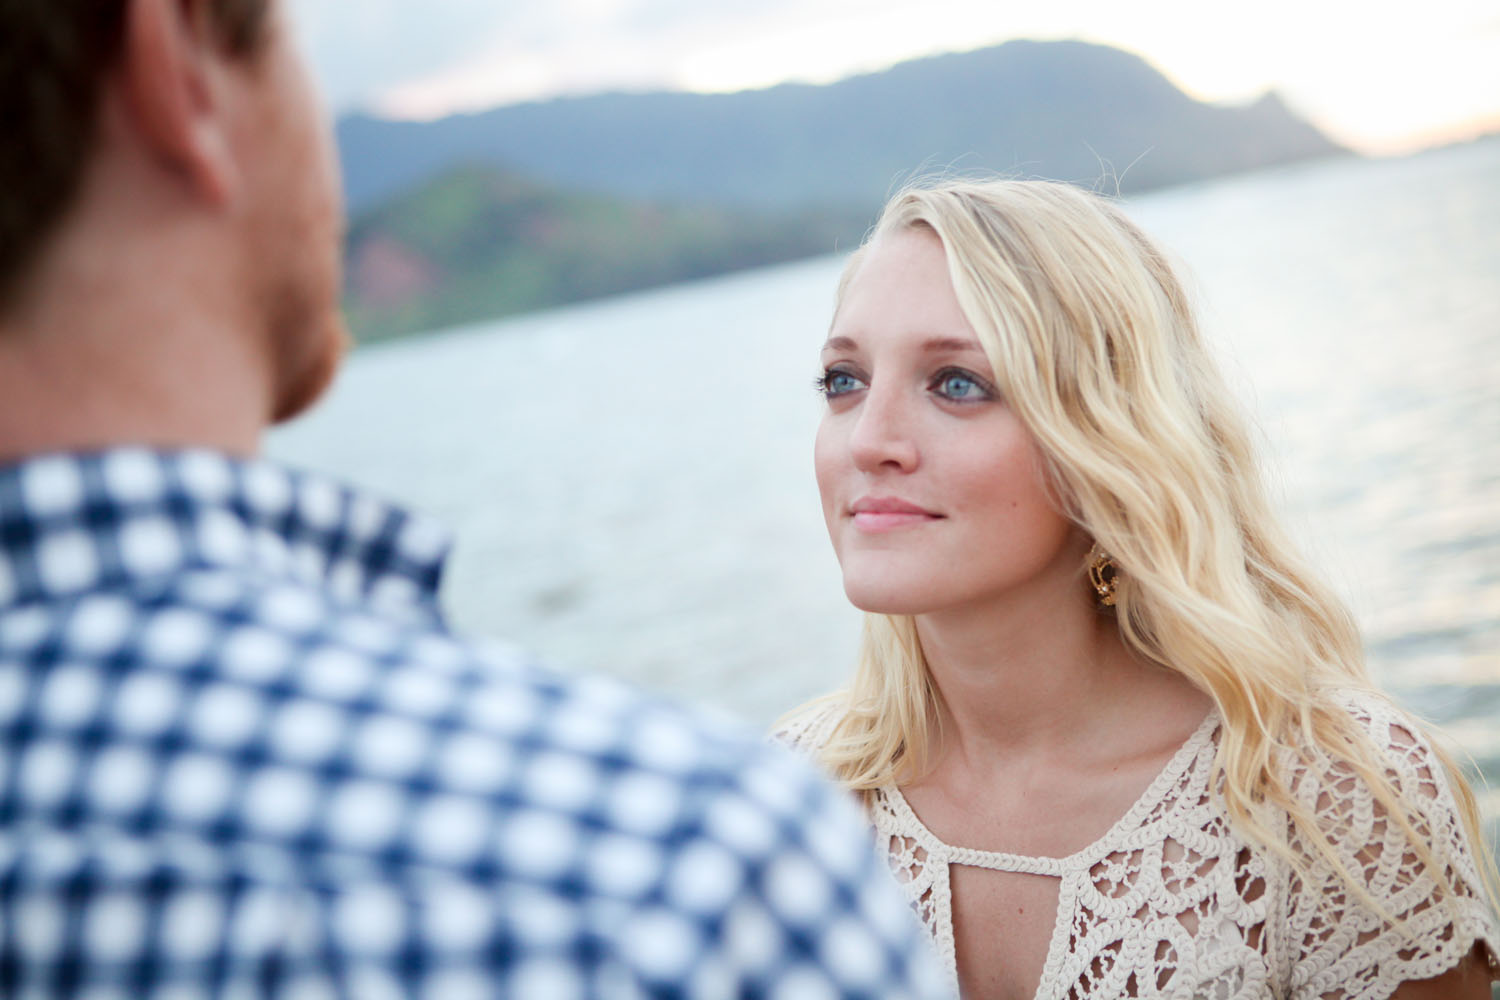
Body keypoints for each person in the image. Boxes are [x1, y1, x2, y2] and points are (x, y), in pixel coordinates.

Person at [0, 1, 948, 996]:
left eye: (953, 383)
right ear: (181, 59)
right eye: (297, 38)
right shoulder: (678, 876)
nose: (874, 439)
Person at [777, 178, 1499, 999]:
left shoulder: (1331, 802)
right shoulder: (785, 807)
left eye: (957, 383)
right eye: (844, 380)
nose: (869, 441)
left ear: (1107, 435)